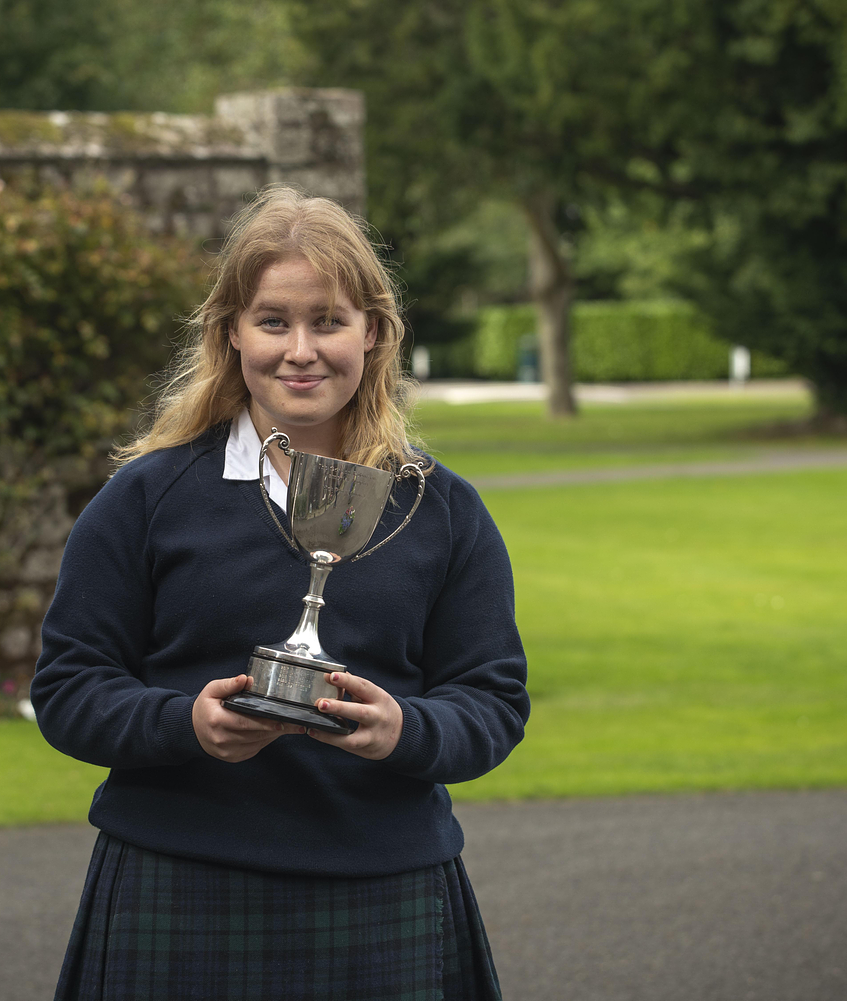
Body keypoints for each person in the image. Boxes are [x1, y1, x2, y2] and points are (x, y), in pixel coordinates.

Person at [31, 185, 530, 1000]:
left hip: (384, 885)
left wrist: (406, 729)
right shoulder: (148, 497)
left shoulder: (440, 509)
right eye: (274, 321)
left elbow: (493, 701)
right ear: (231, 332)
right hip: (179, 881)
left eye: (328, 321)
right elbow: (67, 689)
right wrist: (184, 720)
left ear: (373, 330)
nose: (301, 349)